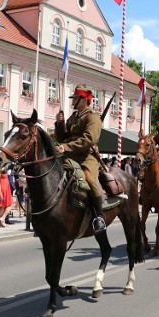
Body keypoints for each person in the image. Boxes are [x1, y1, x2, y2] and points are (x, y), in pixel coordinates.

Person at [55, 85, 106, 234]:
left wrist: (66, 147)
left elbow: (89, 139)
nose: (73, 100)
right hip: (70, 155)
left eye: (76, 98)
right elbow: (62, 138)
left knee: (89, 179)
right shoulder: (73, 117)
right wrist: (60, 124)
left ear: (84, 100)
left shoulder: (93, 117)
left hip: (86, 156)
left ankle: (99, 217)